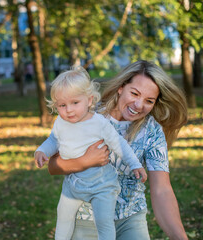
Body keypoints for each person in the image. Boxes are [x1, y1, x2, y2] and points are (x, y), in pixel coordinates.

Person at [43, 60, 188, 239]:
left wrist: (181, 238)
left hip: (131, 219)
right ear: (121, 87)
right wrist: (83, 162)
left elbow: (162, 190)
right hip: (87, 219)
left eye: (149, 101)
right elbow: (53, 165)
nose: (139, 105)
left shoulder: (151, 131)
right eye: (134, 93)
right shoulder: (87, 113)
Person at [34, 67, 147, 240]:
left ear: (89, 100)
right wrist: (42, 150)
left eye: (75, 103)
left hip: (102, 185)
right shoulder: (60, 123)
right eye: (62, 105)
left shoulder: (99, 123)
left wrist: (135, 164)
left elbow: (119, 144)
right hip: (74, 184)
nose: (69, 110)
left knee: (103, 221)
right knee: (63, 216)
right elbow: (53, 140)